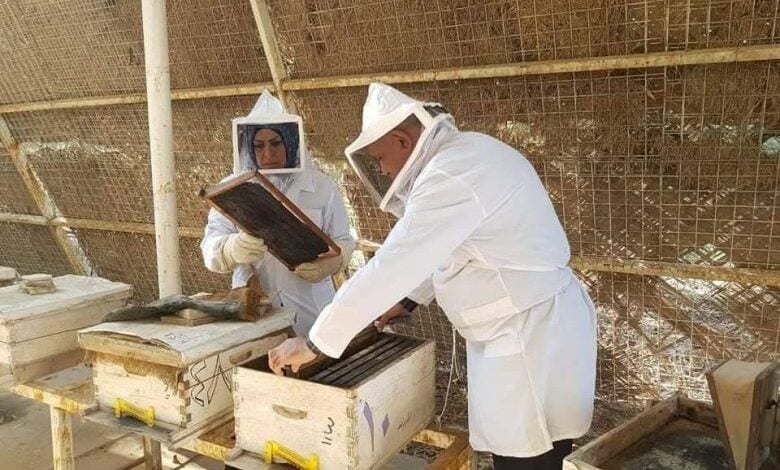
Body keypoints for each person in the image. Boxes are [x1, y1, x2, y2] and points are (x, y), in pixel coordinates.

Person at [267, 83, 598, 469]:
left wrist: (316, 343)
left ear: (402, 140)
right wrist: (407, 301)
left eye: (381, 158)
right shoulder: (465, 156)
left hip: (526, 336)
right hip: (529, 327)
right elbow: (456, 251)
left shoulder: (452, 174)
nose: (383, 170)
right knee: (535, 449)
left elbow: (392, 265)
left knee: (529, 456)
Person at [201, 91, 355, 335]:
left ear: (291, 142)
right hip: (254, 307)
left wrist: (331, 263)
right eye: (258, 145)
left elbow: (344, 239)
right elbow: (209, 249)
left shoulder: (321, 186)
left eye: (276, 143)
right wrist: (230, 248)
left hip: (312, 311)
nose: (268, 154)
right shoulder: (230, 189)